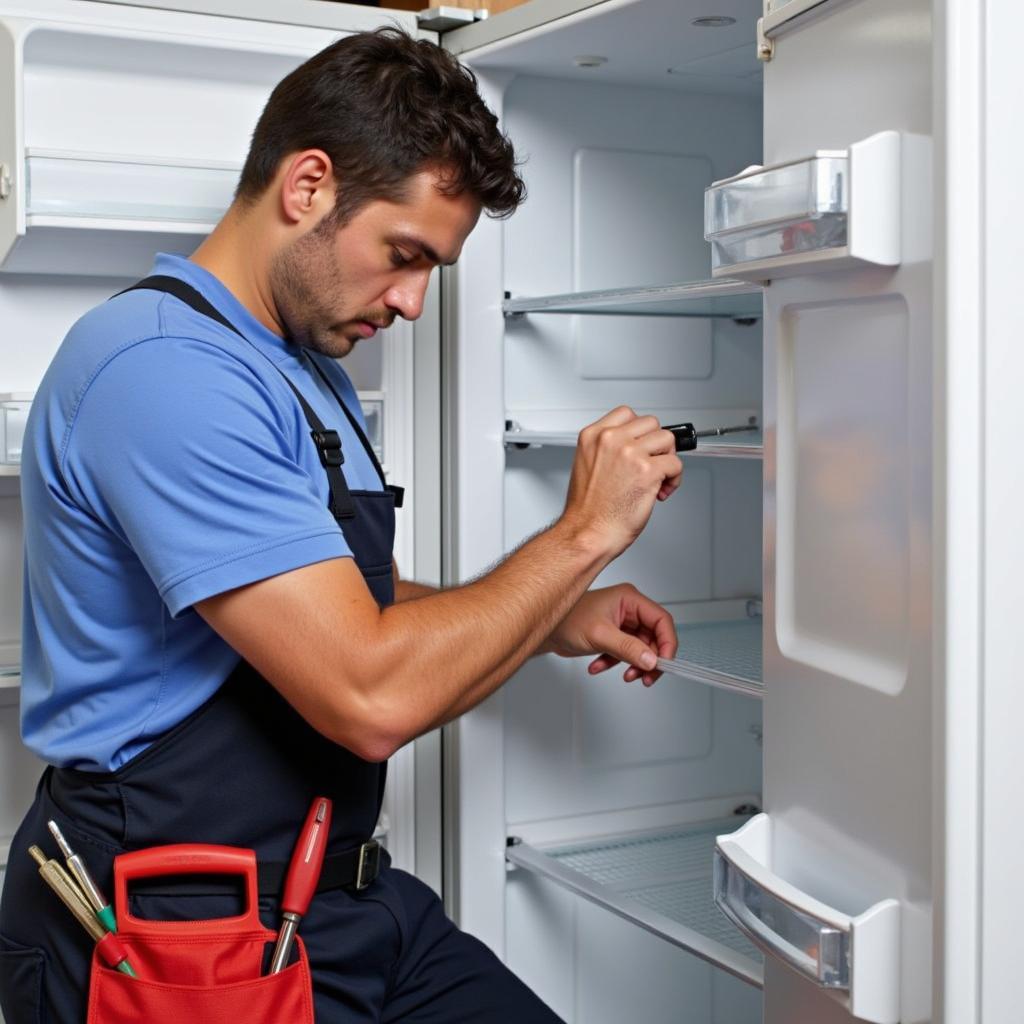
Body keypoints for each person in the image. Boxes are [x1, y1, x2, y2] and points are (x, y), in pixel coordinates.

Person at [0, 28, 682, 1024]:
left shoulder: (296, 369)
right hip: (173, 925)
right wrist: (580, 532)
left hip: (337, 901)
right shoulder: (164, 370)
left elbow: (347, 603)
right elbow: (367, 690)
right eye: (403, 256)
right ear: (308, 185)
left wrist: (558, 614)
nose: (410, 301)